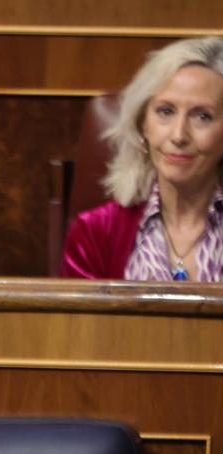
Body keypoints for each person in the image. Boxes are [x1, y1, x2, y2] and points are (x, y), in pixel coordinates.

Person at [62, 36, 223, 281]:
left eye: (203, 116)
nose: (179, 135)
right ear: (142, 126)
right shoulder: (95, 234)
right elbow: (78, 321)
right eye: (165, 111)